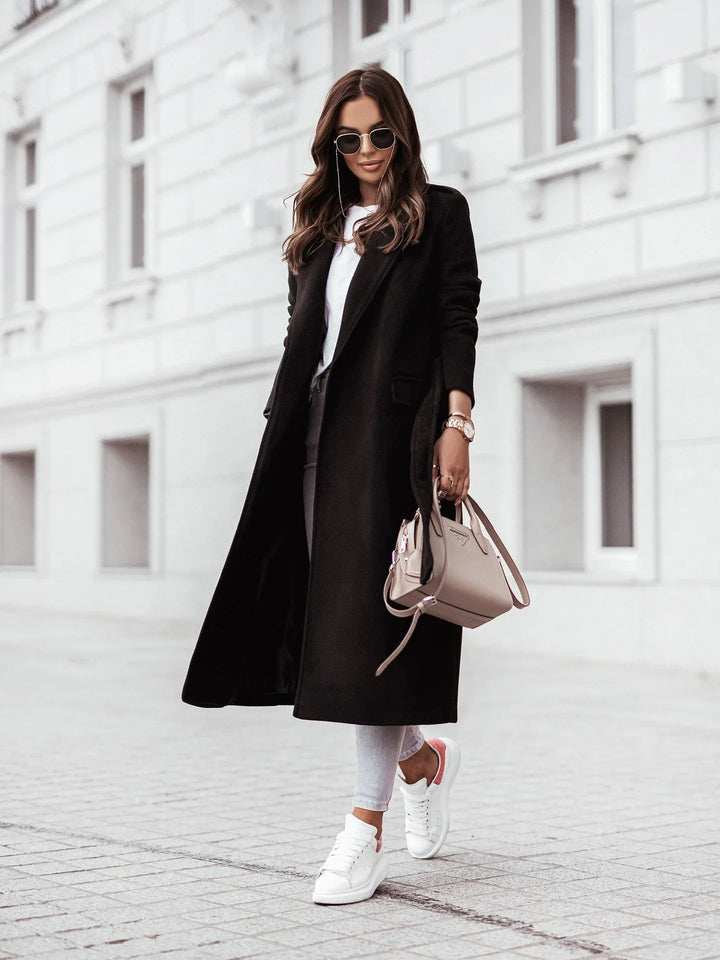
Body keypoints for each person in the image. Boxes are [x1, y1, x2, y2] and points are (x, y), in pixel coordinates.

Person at [181, 65, 481, 905]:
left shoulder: (438, 213)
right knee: (344, 627)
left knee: (368, 621)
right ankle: (421, 761)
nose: (365, 152)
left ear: (402, 135)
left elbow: (459, 316)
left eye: (379, 136)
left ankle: (363, 827)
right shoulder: (316, 228)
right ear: (331, 143)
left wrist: (458, 423)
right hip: (307, 437)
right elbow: (301, 335)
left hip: (391, 444)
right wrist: (280, 422)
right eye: (348, 139)